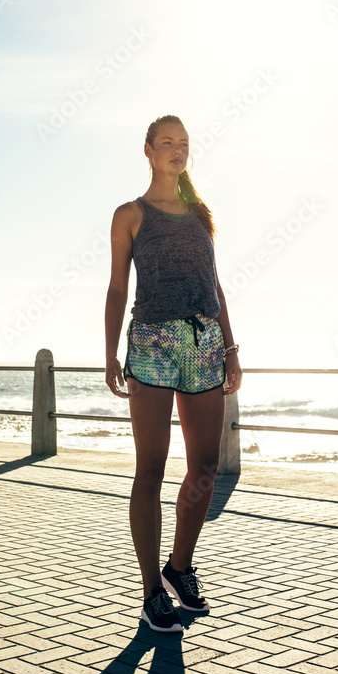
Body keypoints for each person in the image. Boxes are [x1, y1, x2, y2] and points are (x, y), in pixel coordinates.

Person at [104, 114, 242, 633]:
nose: (177, 150)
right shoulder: (129, 214)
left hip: (204, 343)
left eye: (183, 143)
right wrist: (110, 352)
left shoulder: (200, 213)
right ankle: (150, 595)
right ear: (148, 150)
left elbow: (216, 284)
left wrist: (231, 347)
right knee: (151, 470)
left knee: (205, 465)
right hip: (153, 344)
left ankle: (179, 568)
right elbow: (118, 288)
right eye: (167, 143)